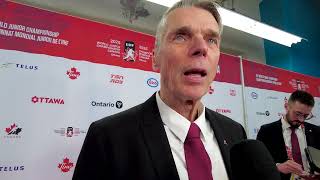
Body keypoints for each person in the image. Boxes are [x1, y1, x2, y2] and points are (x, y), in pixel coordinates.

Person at [72, 1, 246, 180]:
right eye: (181, 36)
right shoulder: (107, 138)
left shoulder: (235, 133)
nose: (201, 48)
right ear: (155, 57)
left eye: (211, 40)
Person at [257, 90, 320, 180]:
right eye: (298, 114)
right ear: (286, 107)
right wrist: (277, 167)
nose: (301, 120)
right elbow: (259, 163)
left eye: (306, 116)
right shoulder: (267, 131)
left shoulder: (317, 131)